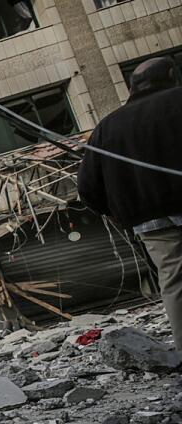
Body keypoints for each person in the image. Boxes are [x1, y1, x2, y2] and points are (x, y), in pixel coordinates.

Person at [78, 57, 182, 348]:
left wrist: (117, 213)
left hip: (149, 220)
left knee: (173, 282)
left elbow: (87, 188)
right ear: (172, 74)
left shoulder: (107, 127)